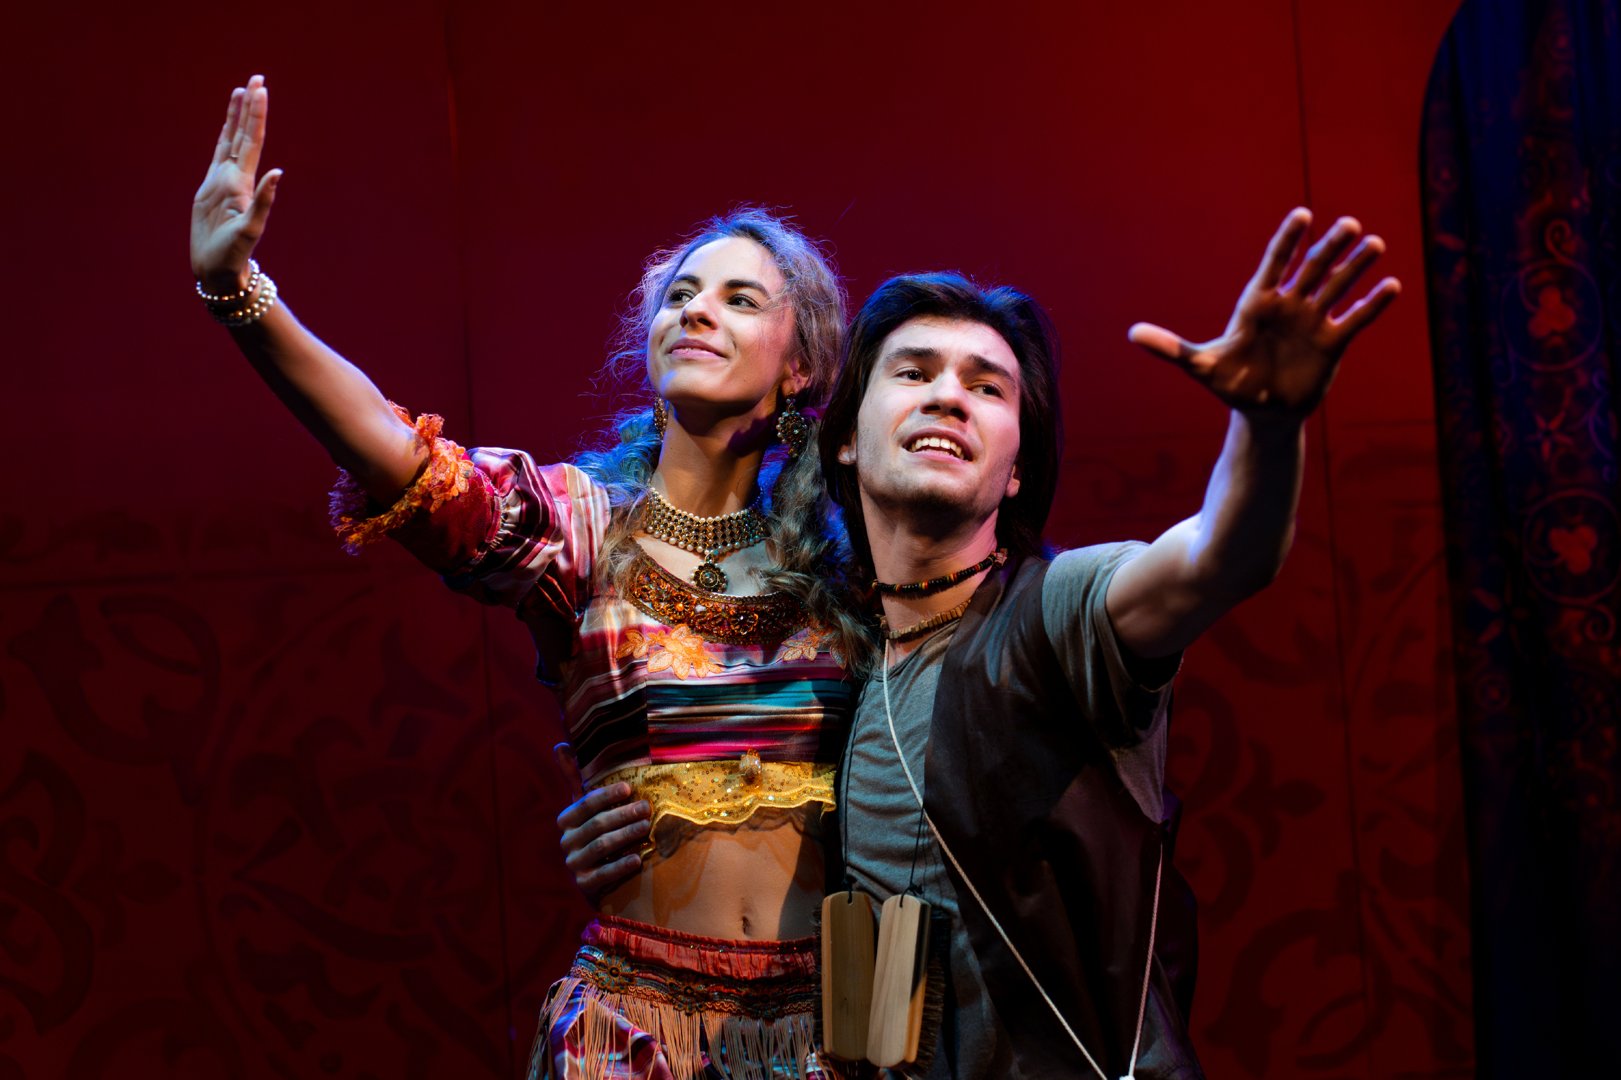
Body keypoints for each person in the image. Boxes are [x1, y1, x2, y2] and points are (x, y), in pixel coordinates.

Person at [563, 210, 1398, 1078]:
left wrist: (1267, 425)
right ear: (844, 438)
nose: (947, 397)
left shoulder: (1055, 615)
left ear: (1018, 466)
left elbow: (1217, 557)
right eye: (913, 372)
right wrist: (628, 824)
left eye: (987, 387)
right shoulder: (845, 669)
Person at [191, 75, 873, 1080]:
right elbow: (399, 454)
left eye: (739, 299)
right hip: (637, 1028)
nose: (697, 310)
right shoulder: (578, 527)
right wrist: (240, 295)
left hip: (829, 1030)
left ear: (801, 366)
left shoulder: (845, 561)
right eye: (679, 296)